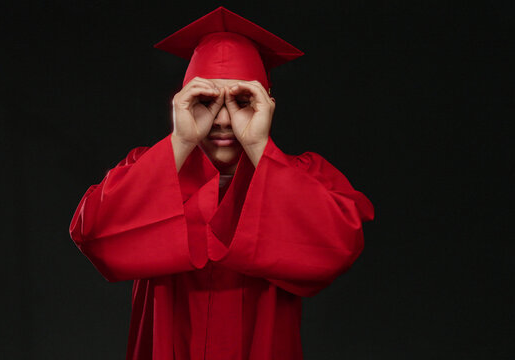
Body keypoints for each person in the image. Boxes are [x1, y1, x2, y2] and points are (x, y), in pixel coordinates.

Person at [69, 6, 374, 360]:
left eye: (243, 102)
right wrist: (180, 141)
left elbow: (339, 245)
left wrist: (260, 146)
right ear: (182, 104)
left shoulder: (305, 176)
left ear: (268, 105)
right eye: (206, 102)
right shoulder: (148, 169)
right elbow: (92, 234)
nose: (223, 119)